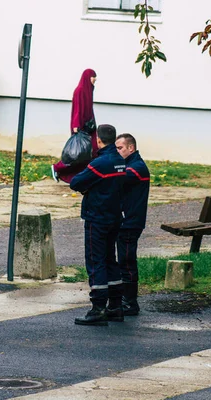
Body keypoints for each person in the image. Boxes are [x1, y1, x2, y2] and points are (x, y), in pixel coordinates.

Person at [70, 124, 126, 326]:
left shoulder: (100, 163)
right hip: (114, 217)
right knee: (111, 260)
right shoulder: (120, 161)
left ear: (99, 140)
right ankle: (116, 305)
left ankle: (98, 308)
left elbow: (76, 182)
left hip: (97, 218)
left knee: (96, 262)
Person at [115, 133, 150, 315]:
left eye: (120, 148)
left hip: (131, 222)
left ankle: (130, 302)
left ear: (131, 148)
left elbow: (117, 178)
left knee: (127, 260)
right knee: (123, 259)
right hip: (126, 220)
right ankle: (123, 299)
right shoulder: (130, 165)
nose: (117, 151)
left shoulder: (137, 168)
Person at [52, 69, 98, 183]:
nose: (95, 79)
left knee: (90, 152)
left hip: (89, 127)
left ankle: (82, 176)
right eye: (93, 77)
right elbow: (77, 109)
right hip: (81, 128)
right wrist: (76, 125)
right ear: (87, 77)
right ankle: (58, 167)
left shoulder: (88, 90)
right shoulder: (80, 91)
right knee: (79, 153)